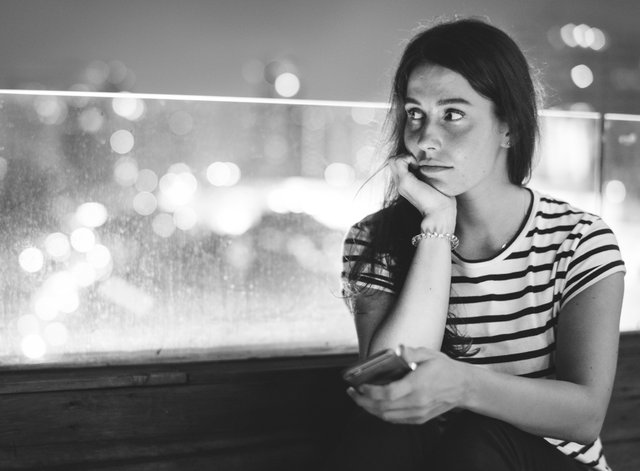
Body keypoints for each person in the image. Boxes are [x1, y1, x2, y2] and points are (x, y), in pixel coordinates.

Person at [329, 17, 626, 471]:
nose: (426, 139)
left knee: (480, 436)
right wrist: (436, 225)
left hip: (549, 461)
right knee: (379, 431)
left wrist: (463, 386)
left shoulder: (578, 239)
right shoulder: (374, 241)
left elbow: (585, 416)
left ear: (508, 126)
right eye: (415, 113)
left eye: (453, 114)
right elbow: (390, 386)